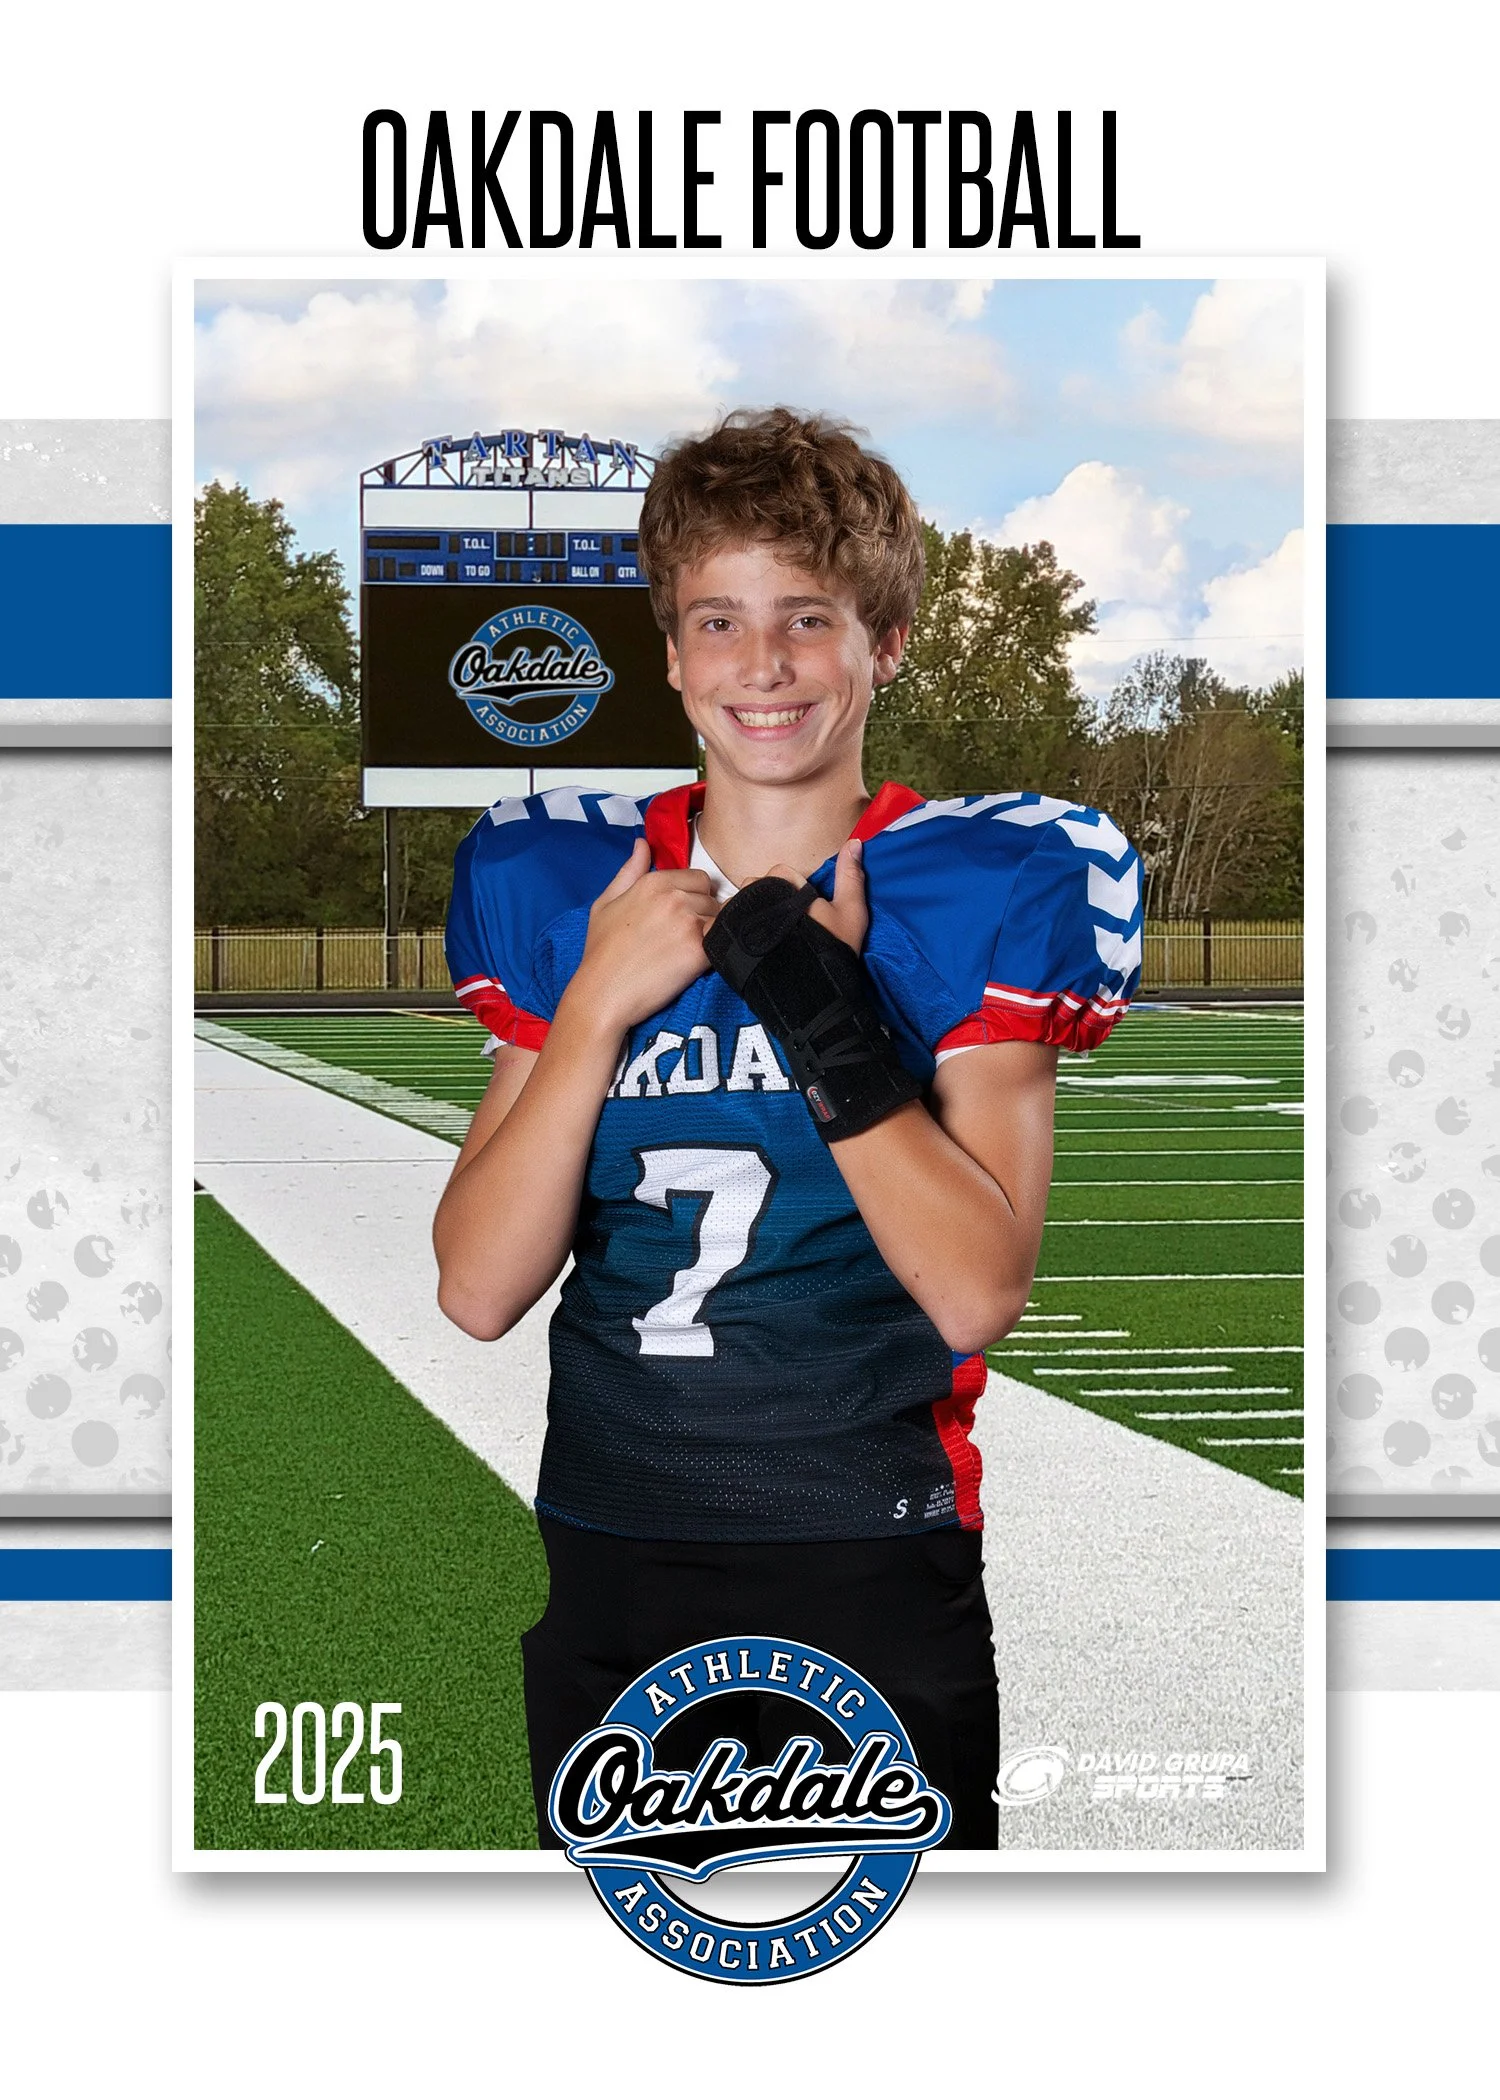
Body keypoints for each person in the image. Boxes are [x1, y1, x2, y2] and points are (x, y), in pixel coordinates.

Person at [436, 407, 1141, 1849]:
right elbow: (478, 1288)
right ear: (674, 653)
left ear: (883, 644)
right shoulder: (569, 887)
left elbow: (977, 1288)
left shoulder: (970, 886)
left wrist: (825, 1014)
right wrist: (591, 1012)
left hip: (863, 1540)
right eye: (720, 620)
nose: (763, 666)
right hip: (613, 1533)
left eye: (808, 619)